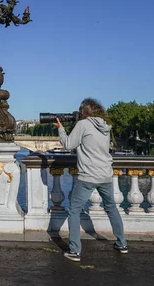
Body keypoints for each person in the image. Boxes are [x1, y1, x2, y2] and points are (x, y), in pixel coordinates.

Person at [53, 98, 128, 262]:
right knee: (111, 208)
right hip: (106, 174)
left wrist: (61, 129)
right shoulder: (106, 126)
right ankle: (122, 244)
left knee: (74, 209)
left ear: (83, 112)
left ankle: (75, 250)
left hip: (88, 175)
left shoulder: (83, 124)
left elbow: (68, 144)